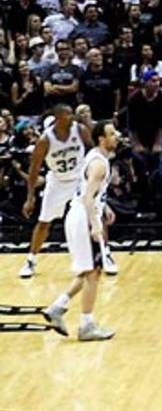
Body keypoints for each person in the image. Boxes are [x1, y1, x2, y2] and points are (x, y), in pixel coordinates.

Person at [41, 120, 122, 341]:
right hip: (84, 218)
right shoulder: (100, 164)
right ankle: (86, 325)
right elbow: (87, 197)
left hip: (79, 214)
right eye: (112, 133)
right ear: (101, 139)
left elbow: (88, 191)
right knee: (93, 273)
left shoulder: (94, 156)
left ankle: (58, 307)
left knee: (88, 271)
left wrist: (105, 207)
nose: (117, 136)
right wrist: (96, 225)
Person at [18, 105, 97, 279]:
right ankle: (31, 260)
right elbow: (34, 170)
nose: (72, 116)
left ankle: (102, 255)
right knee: (44, 222)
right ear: (59, 117)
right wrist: (30, 197)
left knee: (91, 217)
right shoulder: (45, 140)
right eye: (68, 114)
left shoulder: (80, 130)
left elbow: (93, 150)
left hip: (79, 180)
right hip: (57, 182)